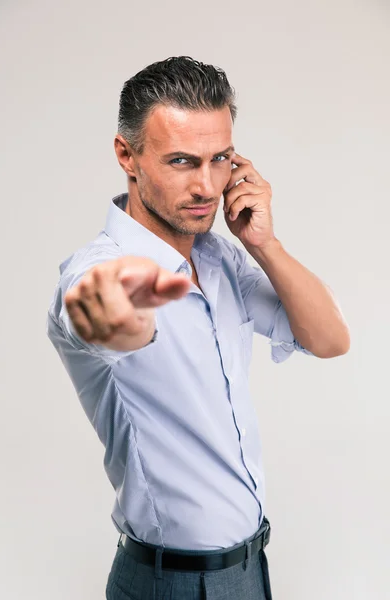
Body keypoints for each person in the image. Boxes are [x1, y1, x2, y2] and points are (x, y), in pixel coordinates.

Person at [46, 56, 350, 600]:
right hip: (171, 583)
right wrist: (136, 295)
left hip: (250, 569)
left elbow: (330, 340)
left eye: (221, 160)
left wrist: (264, 246)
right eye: (183, 161)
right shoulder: (95, 269)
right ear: (127, 155)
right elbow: (94, 312)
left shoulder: (221, 261)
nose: (207, 186)